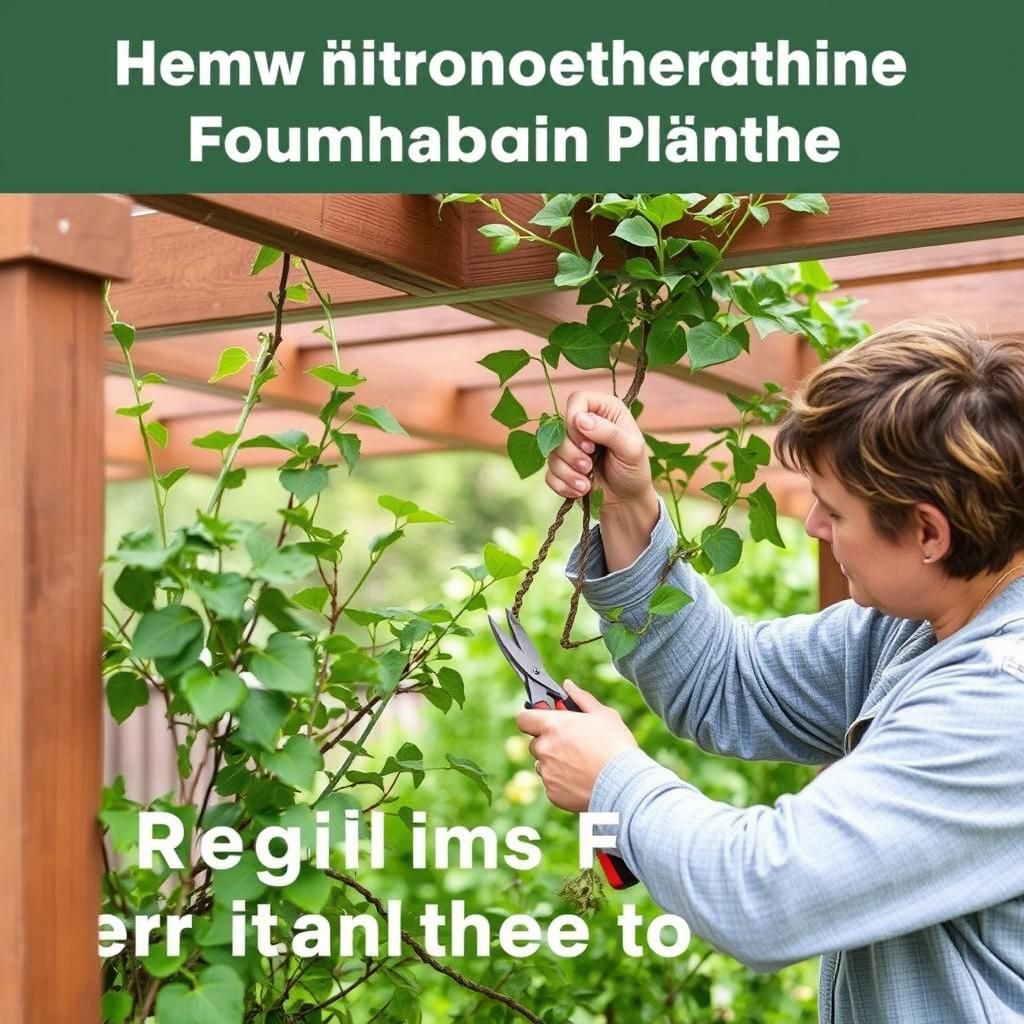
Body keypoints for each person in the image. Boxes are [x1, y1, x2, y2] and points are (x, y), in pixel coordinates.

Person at [516, 320, 1024, 1023]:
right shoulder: (914, 630)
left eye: (835, 509)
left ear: (929, 532)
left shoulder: (1003, 700)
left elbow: (765, 896)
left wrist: (613, 782)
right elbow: (731, 682)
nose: (813, 525)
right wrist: (630, 504)